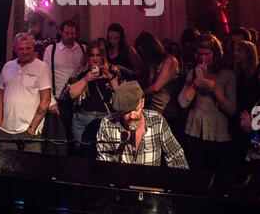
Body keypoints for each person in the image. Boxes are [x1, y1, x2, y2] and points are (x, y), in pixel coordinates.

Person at [97, 81, 188, 169]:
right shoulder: (107, 124)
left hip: (150, 182)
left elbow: (176, 156)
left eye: (136, 110)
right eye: (126, 112)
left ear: (142, 102)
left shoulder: (157, 121)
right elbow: (104, 162)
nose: (132, 116)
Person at [178, 33, 236, 170]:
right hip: (194, 129)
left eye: (207, 54)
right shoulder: (194, 72)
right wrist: (196, 82)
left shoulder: (227, 74)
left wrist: (217, 92)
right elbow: (182, 102)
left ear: (215, 53)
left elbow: (231, 110)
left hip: (217, 130)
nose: (203, 58)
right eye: (200, 54)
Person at [62, 40, 119, 158]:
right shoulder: (80, 72)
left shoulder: (112, 71)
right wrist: (85, 79)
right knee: (83, 156)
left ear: (103, 57)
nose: (95, 58)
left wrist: (110, 76)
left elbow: (120, 95)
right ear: (87, 57)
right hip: (82, 121)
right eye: (92, 55)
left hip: (105, 120)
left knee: (104, 156)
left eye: (98, 55)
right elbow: (70, 94)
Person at [0, 33, 51, 152]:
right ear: (14, 49)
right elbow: (0, 97)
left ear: (33, 48)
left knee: (31, 168)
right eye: (21, 48)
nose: (25, 51)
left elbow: (45, 100)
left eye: (28, 48)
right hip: (5, 131)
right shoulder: (7, 66)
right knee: (5, 168)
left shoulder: (42, 67)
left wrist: (31, 128)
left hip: (29, 132)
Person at [43, 19, 86, 155]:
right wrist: (50, 100)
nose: (70, 36)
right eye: (67, 33)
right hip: (59, 100)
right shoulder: (51, 49)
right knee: (59, 136)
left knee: (76, 137)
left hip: (79, 101)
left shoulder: (83, 49)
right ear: (61, 33)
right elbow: (45, 76)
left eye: (73, 33)